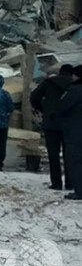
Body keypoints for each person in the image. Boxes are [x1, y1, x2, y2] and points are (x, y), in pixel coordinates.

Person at [30, 64, 74, 190]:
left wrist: (43, 110)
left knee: (53, 154)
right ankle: (70, 183)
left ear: (60, 72)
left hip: (51, 122)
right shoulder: (75, 85)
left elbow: (34, 97)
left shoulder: (49, 82)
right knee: (70, 154)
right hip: (70, 124)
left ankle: (56, 183)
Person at [57, 65, 82, 200]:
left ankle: (79, 190)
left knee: (75, 161)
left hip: (76, 132)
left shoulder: (74, 90)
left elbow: (62, 106)